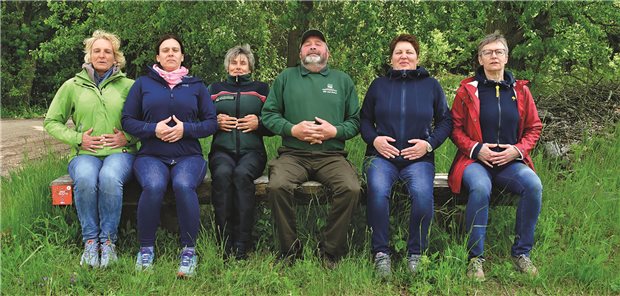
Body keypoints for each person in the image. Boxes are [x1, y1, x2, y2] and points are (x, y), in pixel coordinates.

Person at [448, 32, 543, 281]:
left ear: (506, 57)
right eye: (488, 52)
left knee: (533, 185)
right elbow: (454, 128)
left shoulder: (520, 91)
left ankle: (521, 253)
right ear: (480, 59)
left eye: (498, 52)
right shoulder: (468, 90)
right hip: (474, 161)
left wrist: (517, 150)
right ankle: (475, 259)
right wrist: (476, 149)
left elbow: (534, 127)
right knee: (480, 187)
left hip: (510, 161)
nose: (493, 56)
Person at [261, 29, 361, 267]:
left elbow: (356, 121)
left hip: (332, 156)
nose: (313, 47)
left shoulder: (342, 80)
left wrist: (334, 131)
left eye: (318, 44)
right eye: (308, 44)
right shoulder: (286, 77)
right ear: (300, 52)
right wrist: (292, 129)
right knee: (277, 186)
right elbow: (268, 115)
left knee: (351, 188)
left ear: (328, 52)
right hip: (293, 155)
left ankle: (328, 251)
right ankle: (289, 251)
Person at [121, 34, 217, 277]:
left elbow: (211, 123)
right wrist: (153, 129)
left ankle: (188, 251)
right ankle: (145, 249)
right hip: (151, 155)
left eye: (175, 50)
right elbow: (127, 120)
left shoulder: (197, 86)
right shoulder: (143, 84)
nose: (171, 53)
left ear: (182, 56)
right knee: (153, 185)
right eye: (165, 50)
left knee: (183, 185)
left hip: (189, 156)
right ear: (158, 57)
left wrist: (187, 129)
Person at [360, 34, 452, 277]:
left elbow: (445, 121)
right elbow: (365, 120)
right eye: (398, 52)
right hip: (381, 158)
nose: (404, 56)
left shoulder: (431, 85)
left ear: (417, 58)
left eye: (409, 52)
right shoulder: (378, 85)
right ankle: (381, 253)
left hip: (418, 159)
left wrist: (429, 145)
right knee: (377, 192)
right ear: (391, 59)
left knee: (423, 194)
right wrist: (375, 140)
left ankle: (416, 253)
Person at [44, 30, 136, 268]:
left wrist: (127, 137)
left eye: (108, 51)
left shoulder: (129, 86)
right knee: (85, 178)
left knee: (109, 177)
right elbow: (51, 122)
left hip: (120, 154)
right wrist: (77, 138)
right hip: (85, 154)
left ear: (116, 58)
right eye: (97, 51)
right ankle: (90, 242)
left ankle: (107, 243)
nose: (102, 55)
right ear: (89, 55)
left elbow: (145, 121)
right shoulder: (72, 86)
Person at [208, 45, 271, 260]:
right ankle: (224, 241)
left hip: (252, 153)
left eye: (242, 63)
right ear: (227, 65)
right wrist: (214, 122)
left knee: (242, 175)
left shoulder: (261, 89)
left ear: (250, 67)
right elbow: (200, 120)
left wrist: (259, 123)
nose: (238, 67)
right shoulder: (215, 89)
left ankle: (242, 242)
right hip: (221, 151)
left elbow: (274, 123)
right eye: (234, 63)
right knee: (223, 174)